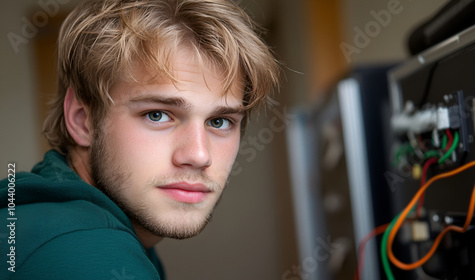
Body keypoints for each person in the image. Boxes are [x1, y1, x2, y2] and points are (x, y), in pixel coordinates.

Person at [0, 0, 280, 279]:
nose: (198, 155)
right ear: (81, 120)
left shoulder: (47, 218)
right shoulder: (84, 253)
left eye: (219, 122)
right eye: (157, 115)